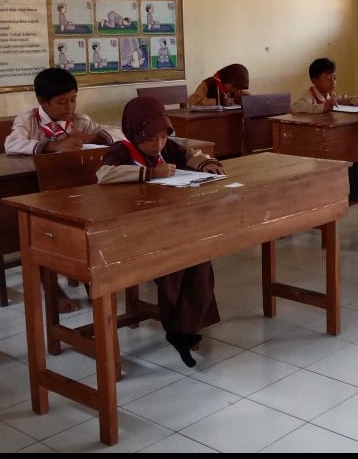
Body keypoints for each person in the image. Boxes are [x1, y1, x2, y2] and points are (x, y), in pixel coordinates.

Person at [95, 96, 224, 368]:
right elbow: (104, 174)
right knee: (172, 263)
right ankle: (178, 328)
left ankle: (187, 328)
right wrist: (150, 174)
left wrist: (204, 163)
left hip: (166, 226)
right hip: (132, 232)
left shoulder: (166, 148)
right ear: (134, 133)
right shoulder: (121, 150)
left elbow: (189, 153)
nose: (158, 144)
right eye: (150, 139)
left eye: (163, 137)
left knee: (200, 256)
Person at [4, 67, 122, 313]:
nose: (69, 107)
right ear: (42, 101)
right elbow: (12, 144)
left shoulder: (79, 120)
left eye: (73, 99)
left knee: (89, 227)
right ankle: (52, 289)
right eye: (62, 102)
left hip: (74, 195)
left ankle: (92, 281)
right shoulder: (29, 121)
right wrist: (53, 146)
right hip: (37, 193)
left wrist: (94, 137)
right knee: (40, 232)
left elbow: (118, 133)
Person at [291, 57, 358, 203]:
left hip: (331, 137)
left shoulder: (330, 94)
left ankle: (354, 188)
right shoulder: (309, 95)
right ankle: (344, 190)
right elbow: (295, 107)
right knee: (345, 149)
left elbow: (342, 99)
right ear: (315, 81)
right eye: (328, 79)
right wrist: (322, 107)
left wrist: (355, 99)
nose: (333, 82)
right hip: (316, 140)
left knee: (353, 146)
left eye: (334, 77)